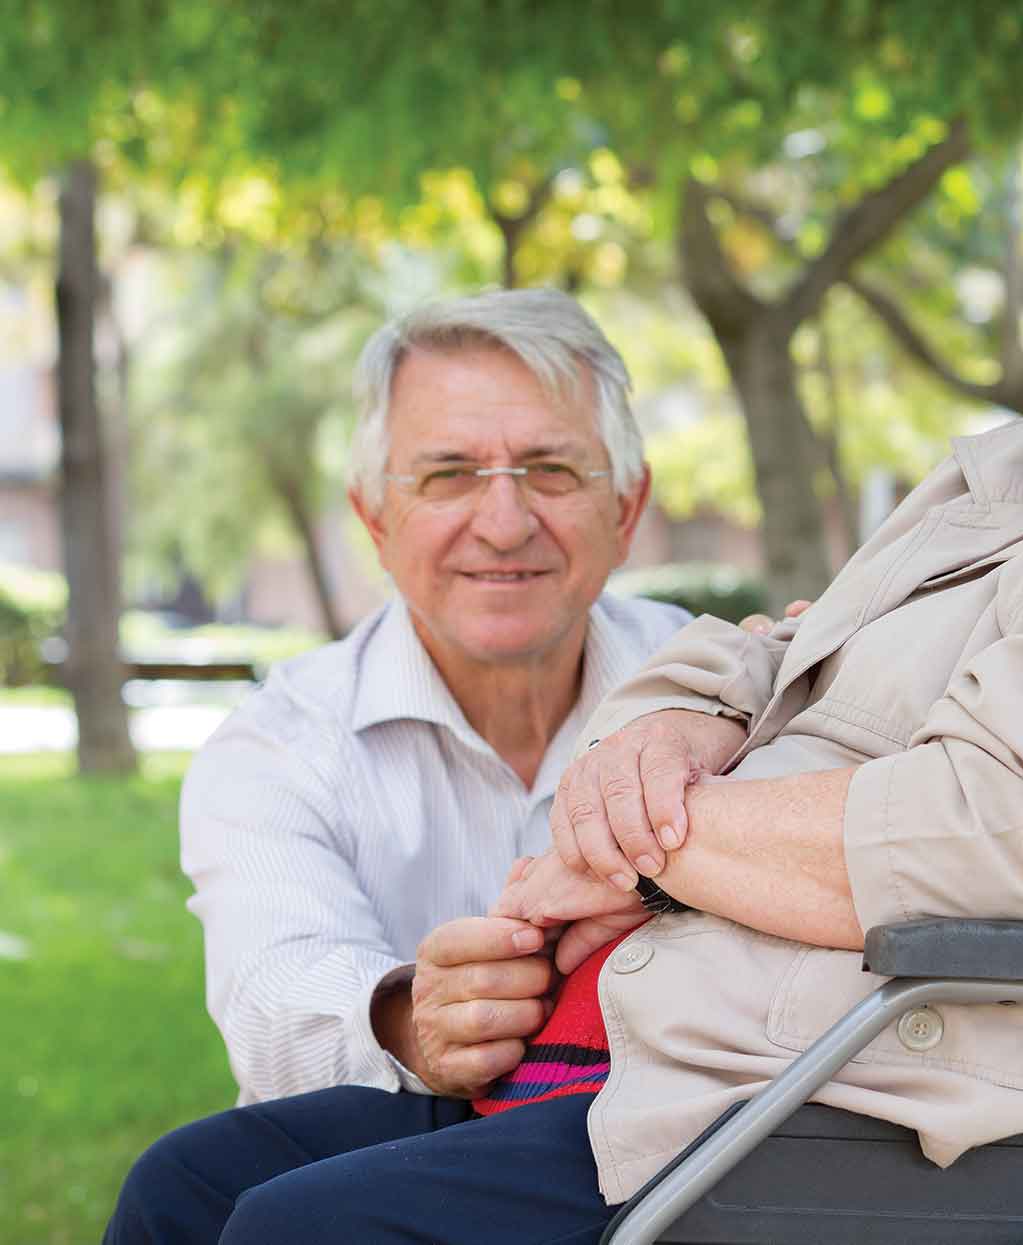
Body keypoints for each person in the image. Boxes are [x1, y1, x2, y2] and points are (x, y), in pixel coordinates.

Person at [109, 64, 1023, 1244]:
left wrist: (643, 844)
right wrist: (659, 740)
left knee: (302, 1228)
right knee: (189, 1191)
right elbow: (773, 650)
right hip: (720, 1071)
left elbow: (1005, 838)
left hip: (932, 1109)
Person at [176, 288, 693, 1106]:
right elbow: (272, 1004)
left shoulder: (730, 691)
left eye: (551, 470)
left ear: (626, 509)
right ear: (375, 518)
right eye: (449, 475)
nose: (502, 522)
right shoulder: (277, 745)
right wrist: (411, 1020)